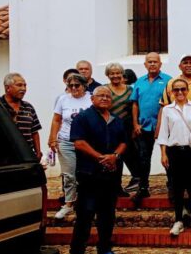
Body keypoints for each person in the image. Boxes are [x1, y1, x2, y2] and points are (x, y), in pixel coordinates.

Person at [68, 86, 126, 254]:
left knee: (107, 215)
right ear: (92, 99)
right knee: (85, 214)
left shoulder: (116, 119)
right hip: (89, 175)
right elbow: (79, 143)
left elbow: (124, 142)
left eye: (108, 96)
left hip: (111, 175)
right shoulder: (83, 118)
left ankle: (105, 247)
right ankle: (77, 250)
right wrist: (101, 157)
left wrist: (114, 156)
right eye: (100, 95)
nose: (105, 98)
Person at [157, 78, 191, 236]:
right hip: (174, 151)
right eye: (176, 90)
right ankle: (178, 220)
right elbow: (164, 133)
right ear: (171, 92)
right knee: (176, 188)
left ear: (187, 90)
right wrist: (163, 153)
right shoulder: (168, 109)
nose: (180, 92)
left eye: (183, 89)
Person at [130, 52, 172, 205]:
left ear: (160, 64)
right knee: (143, 158)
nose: (152, 64)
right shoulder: (139, 82)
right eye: (150, 61)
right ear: (145, 64)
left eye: (155, 61)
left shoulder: (169, 81)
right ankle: (143, 187)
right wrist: (135, 124)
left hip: (165, 127)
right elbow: (134, 104)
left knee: (168, 158)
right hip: (144, 127)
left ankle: (172, 186)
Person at [49, 73, 92, 220]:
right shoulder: (63, 99)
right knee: (68, 175)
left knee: (87, 173)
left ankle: (88, 203)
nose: (74, 88)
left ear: (84, 85)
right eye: (70, 85)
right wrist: (52, 138)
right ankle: (68, 203)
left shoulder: (91, 98)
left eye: (77, 85)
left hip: (86, 142)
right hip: (66, 141)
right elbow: (56, 120)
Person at [104, 62, 139, 194]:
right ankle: (115, 186)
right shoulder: (104, 89)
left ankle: (136, 179)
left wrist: (135, 125)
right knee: (114, 158)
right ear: (108, 75)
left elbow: (135, 107)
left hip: (128, 127)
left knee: (129, 155)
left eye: (118, 73)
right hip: (110, 128)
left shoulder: (131, 89)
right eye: (112, 73)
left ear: (122, 74)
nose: (115, 76)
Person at [1, 73, 42, 157]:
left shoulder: (28, 107)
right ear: (7, 87)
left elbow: (34, 132)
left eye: (25, 85)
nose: (23, 89)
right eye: (19, 85)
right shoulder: (0, 105)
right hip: (3, 157)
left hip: (26, 155)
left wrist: (38, 152)